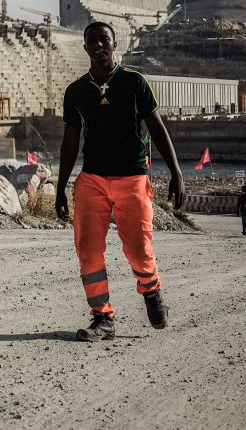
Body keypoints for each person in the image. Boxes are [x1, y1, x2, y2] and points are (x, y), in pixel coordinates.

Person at [56, 21, 184, 343]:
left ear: (115, 45)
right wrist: (60, 188)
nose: (99, 46)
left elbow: (156, 128)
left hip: (132, 178)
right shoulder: (75, 92)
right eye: (93, 41)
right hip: (93, 180)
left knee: (139, 250)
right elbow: (70, 143)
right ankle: (103, 317)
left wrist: (177, 173)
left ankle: (151, 291)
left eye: (105, 40)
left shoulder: (135, 83)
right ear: (85, 48)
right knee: (87, 251)